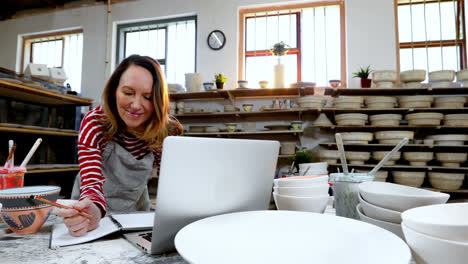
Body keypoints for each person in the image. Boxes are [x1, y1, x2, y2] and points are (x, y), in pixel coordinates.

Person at [56, 55, 183, 237]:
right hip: (90, 208)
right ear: (114, 90)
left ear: (157, 100)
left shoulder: (160, 131)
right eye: (128, 93)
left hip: (135, 212)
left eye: (147, 97)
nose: (136, 105)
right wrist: (92, 210)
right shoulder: (94, 122)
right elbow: (91, 182)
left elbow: (170, 184)